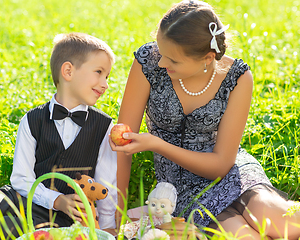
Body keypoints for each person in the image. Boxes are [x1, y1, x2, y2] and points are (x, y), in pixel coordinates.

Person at [110, 1, 300, 239]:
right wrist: (116, 209)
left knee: (285, 223)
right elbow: (122, 145)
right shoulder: (148, 62)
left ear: (208, 58)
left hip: (230, 171)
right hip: (179, 188)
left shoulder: (237, 77)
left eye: (173, 60)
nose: (161, 63)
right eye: (161, 52)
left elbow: (221, 165)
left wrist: (156, 144)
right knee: (244, 237)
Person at [0, 32, 117, 239]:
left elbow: (107, 186)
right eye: (99, 72)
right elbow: (21, 179)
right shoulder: (33, 119)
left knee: (5, 228)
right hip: (19, 194)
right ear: (68, 71)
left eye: (106, 76)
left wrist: (106, 229)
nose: (105, 84)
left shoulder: (104, 126)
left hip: (61, 216)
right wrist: (55, 198)